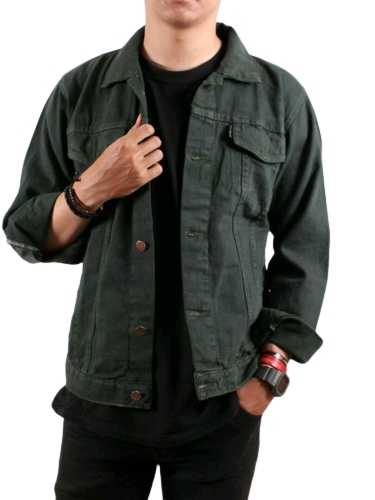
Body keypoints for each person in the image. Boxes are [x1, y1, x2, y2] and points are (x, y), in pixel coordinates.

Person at [3, 0, 329, 498]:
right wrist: (91, 188)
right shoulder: (82, 91)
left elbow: (304, 247)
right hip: (103, 396)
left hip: (224, 401)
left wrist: (270, 372)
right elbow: (28, 235)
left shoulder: (278, 98)